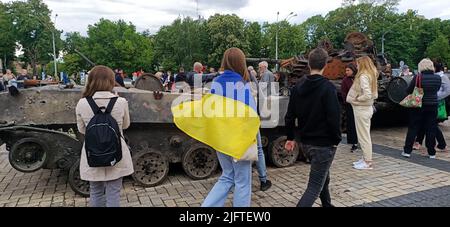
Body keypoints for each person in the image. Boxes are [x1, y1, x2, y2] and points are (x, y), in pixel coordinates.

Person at [285, 48, 341, 207]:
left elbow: (289, 116)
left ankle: (327, 204)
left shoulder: (297, 87)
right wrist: (336, 140)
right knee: (314, 187)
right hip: (323, 144)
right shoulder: (328, 88)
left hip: (306, 143)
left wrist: (290, 137)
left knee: (323, 174)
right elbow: (334, 118)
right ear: (326, 64)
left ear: (309, 64)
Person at [202, 48, 255, 207]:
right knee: (242, 181)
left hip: (220, 138)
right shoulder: (242, 85)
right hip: (239, 140)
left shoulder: (216, 83)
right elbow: (252, 115)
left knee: (227, 176)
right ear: (242, 62)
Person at [75, 65, 133, 207]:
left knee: (95, 191)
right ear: (111, 81)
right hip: (116, 152)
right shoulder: (120, 102)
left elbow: (82, 130)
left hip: (92, 152)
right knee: (113, 192)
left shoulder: (82, 103)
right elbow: (125, 126)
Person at [402, 59, 441, 159]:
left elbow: (409, 90)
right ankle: (432, 153)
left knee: (413, 128)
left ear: (421, 66)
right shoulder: (437, 78)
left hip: (418, 106)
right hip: (433, 105)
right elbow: (436, 90)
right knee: (431, 128)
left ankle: (407, 151)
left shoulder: (417, 77)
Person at [347, 56, 379, 170]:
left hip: (361, 109)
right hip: (366, 108)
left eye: (358, 64)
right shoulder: (372, 75)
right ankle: (365, 158)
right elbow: (374, 95)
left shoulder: (363, 76)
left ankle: (367, 161)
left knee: (363, 137)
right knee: (364, 136)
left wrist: (357, 99)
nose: (356, 66)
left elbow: (368, 94)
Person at [413, 62, 450, 152]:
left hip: (437, 103)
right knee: (427, 123)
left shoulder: (442, 77)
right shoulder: (434, 76)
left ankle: (442, 144)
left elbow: (447, 91)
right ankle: (419, 142)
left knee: (431, 124)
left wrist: (437, 97)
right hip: (430, 102)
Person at [248, 66, 272, 191]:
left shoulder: (227, 78)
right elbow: (261, 95)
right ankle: (263, 180)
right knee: (258, 149)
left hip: (235, 120)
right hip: (251, 118)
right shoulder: (250, 77)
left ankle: (240, 179)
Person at [341, 63, 359, 152]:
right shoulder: (345, 80)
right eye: (346, 70)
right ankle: (354, 143)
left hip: (359, 104)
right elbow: (343, 93)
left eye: (348, 70)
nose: (346, 72)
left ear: (353, 70)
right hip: (350, 105)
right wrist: (348, 100)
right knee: (351, 124)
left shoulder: (358, 79)